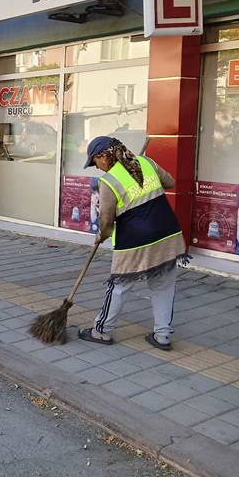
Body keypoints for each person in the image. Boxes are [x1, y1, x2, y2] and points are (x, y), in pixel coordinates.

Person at [78, 136, 189, 351]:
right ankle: (163, 336)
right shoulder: (146, 163)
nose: (97, 168)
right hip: (167, 233)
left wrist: (102, 235)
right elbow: (170, 182)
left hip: (135, 241)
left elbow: (107, 219)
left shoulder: (109, 181)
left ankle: (101, 331)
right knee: (163, 286)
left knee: (118, 287)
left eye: (95, 162)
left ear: (104, 156)